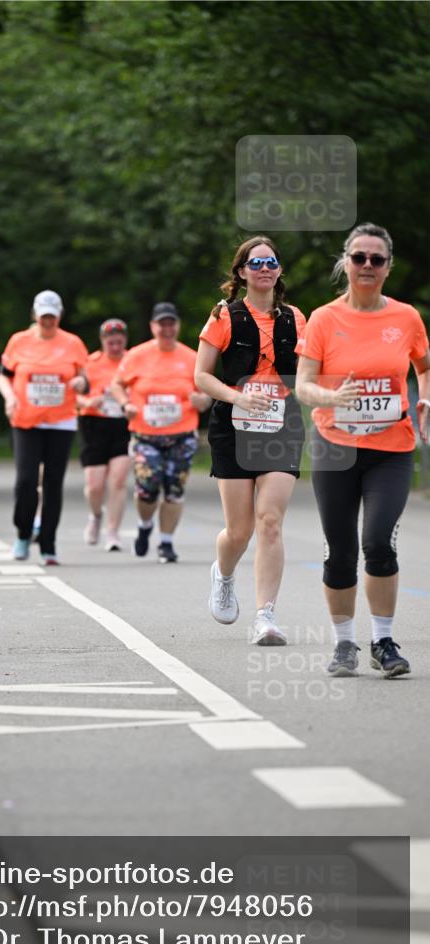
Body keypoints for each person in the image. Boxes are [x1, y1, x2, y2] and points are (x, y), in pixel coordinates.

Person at [295, 222, 429, 677]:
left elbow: (424, 366)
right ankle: (344, 645)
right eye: (359, 257)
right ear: (346, 263)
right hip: (335, 447)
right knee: (341, 550)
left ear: (388, 267)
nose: (367, 265)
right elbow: (303, 386)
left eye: (376, 259)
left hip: (391, 448)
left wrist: (425, 396)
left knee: (378, 542)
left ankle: (384, 641)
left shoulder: (407, 318)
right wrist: (331, 398)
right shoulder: (323, 319)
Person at [195, 236, 306, 644]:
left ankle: (265, 617)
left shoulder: (296, 318)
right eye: (255, 262)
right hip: (233, 426)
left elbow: (309, 370)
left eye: (271, 261)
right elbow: (202, 376)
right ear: (241, 272)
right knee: (239, 531)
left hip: (282, 424)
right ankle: (223, 574)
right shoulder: (224, 315)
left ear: (278, 271)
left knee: (270, 522)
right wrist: (239, 396)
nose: (264, 267)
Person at [110, 302, 211, 563]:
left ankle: (166, 543)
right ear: (153, 326)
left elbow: (207, 392)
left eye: (171, 324)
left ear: (177, 326)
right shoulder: (136, 356)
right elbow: (116, 385)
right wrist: (125, 404)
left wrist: (203, 401)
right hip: (145, 435)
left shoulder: (192, 357)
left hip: (181, 435)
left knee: (174, 490)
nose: (166, 329)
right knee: (148, 488)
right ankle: (145, 526)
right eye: (161, 324)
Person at [0, 289, 89, 566]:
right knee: (26, 481)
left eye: (52, 316)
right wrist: (10, 397)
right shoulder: (19, 341)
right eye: (43, 316)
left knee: (52, 483)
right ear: (35, 316)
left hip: (61, 422)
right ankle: (24, 533)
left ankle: (49, 544)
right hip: (26, 419)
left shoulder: (72, 343)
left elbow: (85, 378)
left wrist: (79, 384)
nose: (48, 321)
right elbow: (3, 377)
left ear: (59, 316)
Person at [76, 318, 131, 552]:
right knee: (94, 485)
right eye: (111, 343)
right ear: (102, 342)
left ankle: (113, 532)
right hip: (94, 424)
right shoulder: (89, 363)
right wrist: (88, 401)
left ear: (125, 341)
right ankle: (96, 515)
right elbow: (74, 398)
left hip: (123, 424)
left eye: (119, 342)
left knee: (118, 480)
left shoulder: (133, 361)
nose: (115, 347)